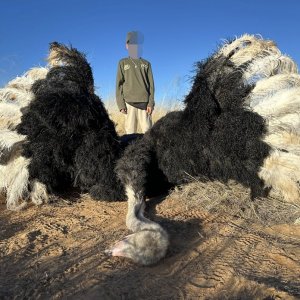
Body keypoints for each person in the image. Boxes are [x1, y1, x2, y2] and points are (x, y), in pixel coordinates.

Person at [116, 31, 155, 134]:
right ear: (127, 46)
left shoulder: (146, 64)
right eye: (131, 43)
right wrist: (121, 105)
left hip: (145, 105)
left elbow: (151, 86)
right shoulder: (122, 63)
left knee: (148, 134)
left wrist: (150, 103)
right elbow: (118, 85)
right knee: (130, 134)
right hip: (129, 104)